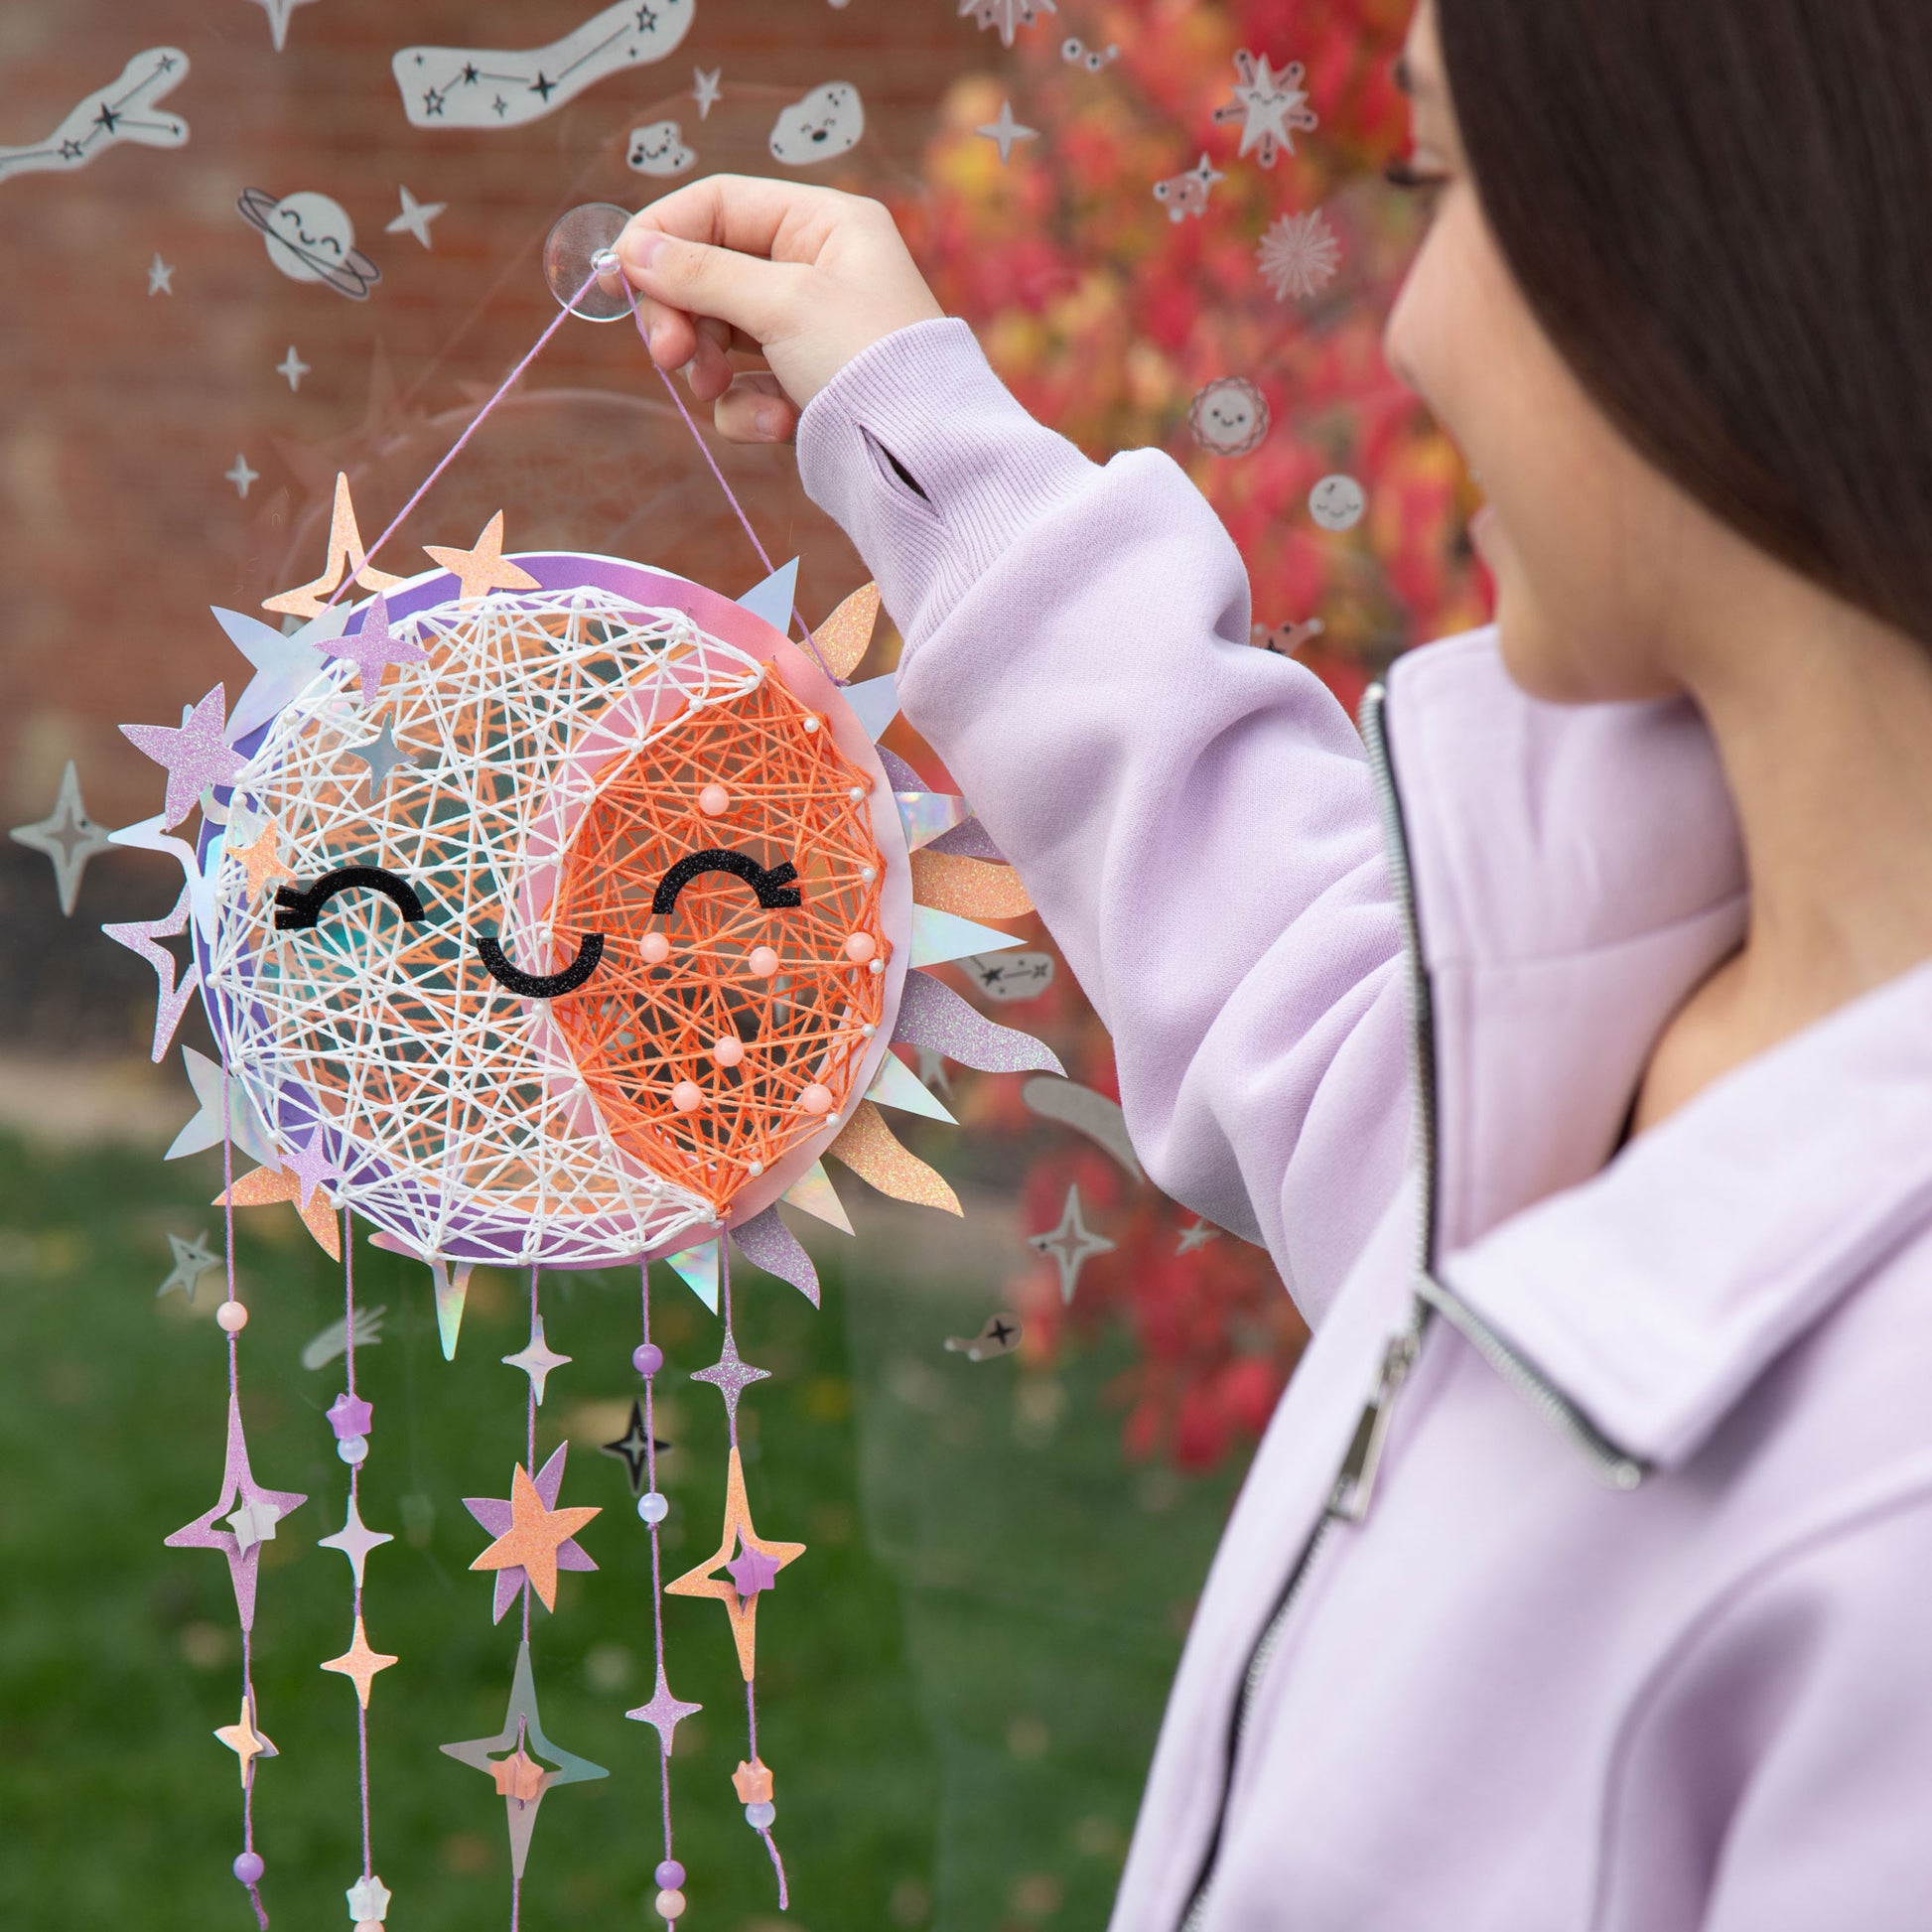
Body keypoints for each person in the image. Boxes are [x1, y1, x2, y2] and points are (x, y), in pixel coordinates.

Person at [605, 1, 1932, 1924]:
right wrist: (915, 428)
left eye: (1443, 181)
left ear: (1741, 240)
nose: (1407, 334)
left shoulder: (1890, 1518)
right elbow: (1299, 977)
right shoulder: (1637, 1002)